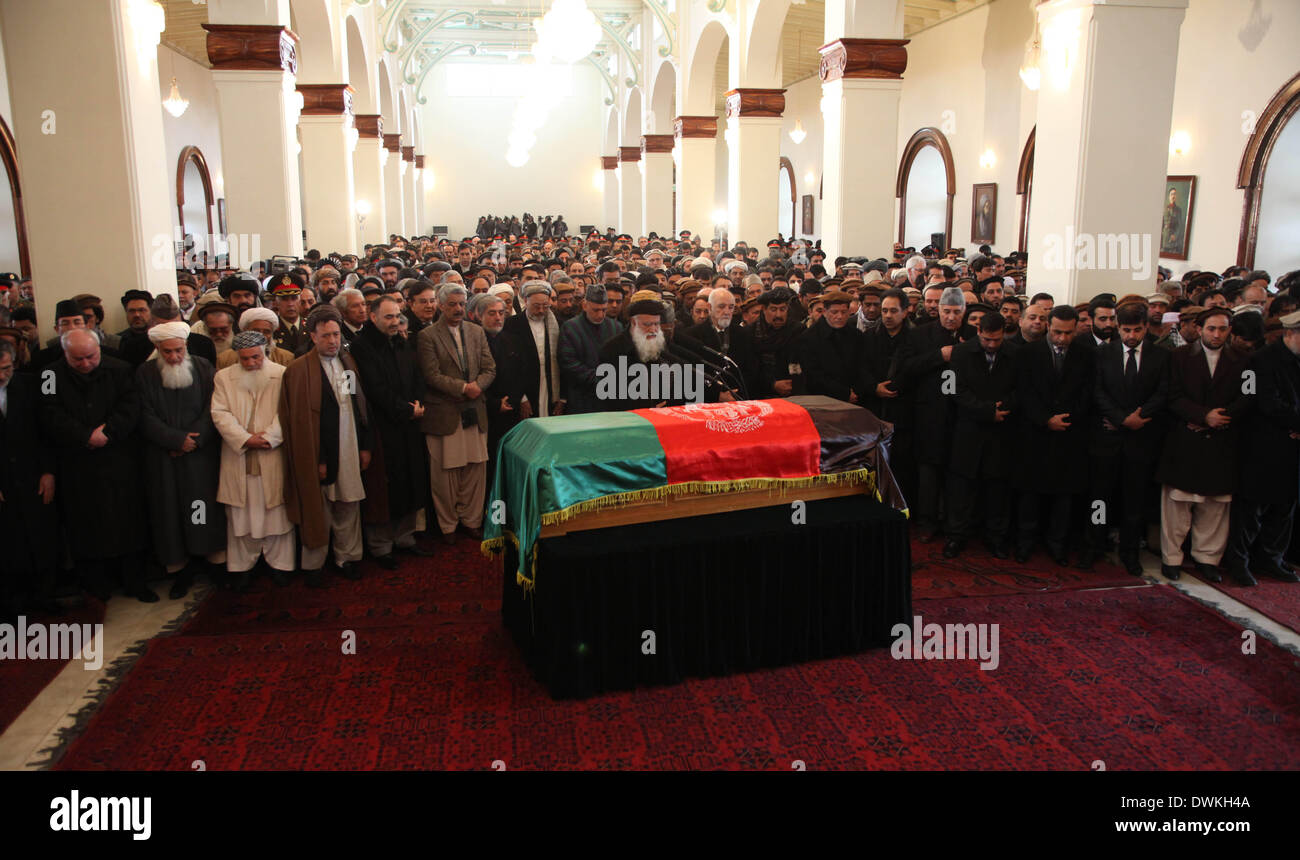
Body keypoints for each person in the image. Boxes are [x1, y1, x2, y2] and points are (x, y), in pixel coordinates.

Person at [40, 329, 154, 602]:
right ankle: (96, 584)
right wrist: (84, 435)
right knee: (85, 524)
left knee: (128, 521)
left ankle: (134, 581)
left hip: (119, 458)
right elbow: (48, 412)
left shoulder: (122, 368)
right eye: (77, 359)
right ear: (65, 354)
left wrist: (108, 431)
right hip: (76, 461)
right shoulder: (49, 376)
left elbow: (131, 406)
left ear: (99, 349)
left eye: (91, 357)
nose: (85, 364)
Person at [281, 305, 372, 586]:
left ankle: (347, 558)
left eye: (336, 335)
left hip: (349, 443)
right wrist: (319, 459)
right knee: (318, 508)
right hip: (319, 450)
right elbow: (300, 422)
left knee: (348, 503)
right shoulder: (299, 370)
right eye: (326, 336)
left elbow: (359, 409)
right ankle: (314, 564)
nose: (333, 341)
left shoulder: (347, 362)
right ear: (312, 336)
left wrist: (364, 446)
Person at [134, 321, 226, 598]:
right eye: (168, 352)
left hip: (200, 457)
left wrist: (194, 441)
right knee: (170, 512)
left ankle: (211, 564)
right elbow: (142, 414)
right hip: (164, 458)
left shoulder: (202, 368)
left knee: (201, 508)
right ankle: (180, 570)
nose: (174, 357)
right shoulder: (145, 373)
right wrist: (174, 440)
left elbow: (215, 406)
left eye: (178, 350)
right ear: (157, 350)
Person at [1155, 308, 1249, 581]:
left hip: (1222, 439)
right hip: (1186, 438)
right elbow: (1171, 395)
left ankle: (1207, 558)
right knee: (1177, 506)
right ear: (1199, 329)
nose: (1217, 334)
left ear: (1229, 330)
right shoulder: (1179, 358)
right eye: (1211, 329)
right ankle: (1171, 558)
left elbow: (1250, 394)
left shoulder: (1245, 361)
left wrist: (1222, 417)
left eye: (1222, 329)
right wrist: (1201, 415)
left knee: (1215, 506)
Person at [349, 295, 432, 567]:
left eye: (397, 316)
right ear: (373, 318)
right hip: (384, 428)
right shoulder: (363, 347)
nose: (395, 322)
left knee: (410, 480)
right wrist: (406, 410)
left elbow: (417, 375)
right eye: (388, 317)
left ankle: (405, 538)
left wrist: (418, 404)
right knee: (385, 487)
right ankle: (381, 546)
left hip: (410, 423)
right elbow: (375, 389)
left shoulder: (402, 341)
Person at [1087, 302, 1169, 575]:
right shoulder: (1103, 354)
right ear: (1118, 328)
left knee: (1134, 501)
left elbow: (1163, 392)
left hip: (1141, 439)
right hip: (1108, 439)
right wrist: (1122, 418)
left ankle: (1130, 552)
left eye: (1136, 330)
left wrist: (1140, 416)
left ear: (1145, 327)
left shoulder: (1160, 356)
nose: (1131, 336)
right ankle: (1094, 546)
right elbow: (1097, 391)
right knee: (1099, 499)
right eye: (1125, 330)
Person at [1221, 309, 1300, 585]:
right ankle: (1238, 561)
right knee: (1251, 509)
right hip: (1264, 447)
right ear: (1290, 333)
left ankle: (1271, 559)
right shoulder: (1262, 361)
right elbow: (1266, 404)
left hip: (1294, 449)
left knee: (1285, 508)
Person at [210, 331, 294, 590]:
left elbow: (288, 411)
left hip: (272, 452)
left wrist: (269, 437)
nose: (251, 363)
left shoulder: (281, 374)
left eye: (256, 357)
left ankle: (280, 565)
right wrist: (245, 439)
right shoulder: (224, 377)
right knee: (241, 514)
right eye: (245, 359)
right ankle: (243, 567)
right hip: (239, 454)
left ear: (265, 351)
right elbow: (219, 412)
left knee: (276, 512)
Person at [1014, 305, 1095, 566]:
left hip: (1070, 435)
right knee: (1030, 494)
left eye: (1068, 333)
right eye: (1058, 332)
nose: (1062, 339)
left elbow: (1088, 393)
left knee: (1064, 497)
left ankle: (1057, 543)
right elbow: (1023, 392)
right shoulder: (1027, 353)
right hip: (1035, 434)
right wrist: (1045, 419)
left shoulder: (1086, 354)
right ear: (1048, 326)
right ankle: (1025, 542)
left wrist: (1067, 418)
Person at [418, 284, 496, 543]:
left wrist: (477, 386)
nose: (458, 309)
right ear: (440, 305)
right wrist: (464, 388)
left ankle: (472, 521)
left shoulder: (476, 331)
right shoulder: (428, 336)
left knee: (475, 469)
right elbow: (431, 375)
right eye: (452, 304)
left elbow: (489, 368)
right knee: (447, 475)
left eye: (462, 304)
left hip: (475, 409)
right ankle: (448, 526)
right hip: (445, 412)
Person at [943, 312, 1018, 559]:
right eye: (987, 340)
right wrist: (987, 411)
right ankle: (956, 537)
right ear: (978, 333)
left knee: (997, 490)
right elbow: (952, 389)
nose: (992, 345)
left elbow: (1022, 389)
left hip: (1002, 431)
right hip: (969, 430)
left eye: (997, 340)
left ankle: (996, 538)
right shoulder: (961, 353)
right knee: (962, 490)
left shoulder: (1015, 354)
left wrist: (1002, 409)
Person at [897, 286, 969, 541]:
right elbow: (906, 369)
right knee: (927, 474)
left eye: (956, 312)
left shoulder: (972, 335)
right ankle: (926, 522)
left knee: (957, 475)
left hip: (962, 418)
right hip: (929, 416)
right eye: (946, 311)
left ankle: (954, 524)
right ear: (938, 310)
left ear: (964, 311)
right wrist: (940, 356)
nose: (951, 317)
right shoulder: (921, 335)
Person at [0, 341, 59, 616]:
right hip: (3, 481)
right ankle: (14, 603)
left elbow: (46, 432)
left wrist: (48, 471)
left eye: (6, 368)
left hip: (33, 474)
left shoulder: (29, 385)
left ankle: (44, 596)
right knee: (9, 542)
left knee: (41, 537)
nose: (2, 376)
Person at [682, 287, 759, 401]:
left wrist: (737, 393)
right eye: (721, 306)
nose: (727, 311)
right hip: (707, 402)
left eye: (731, 307)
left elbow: (752, 370)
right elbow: (689, 376)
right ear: (709, 307)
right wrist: (716, 395)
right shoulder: (691, 336)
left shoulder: (744, 334)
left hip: (739, 398)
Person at [501, 281, 565, 419]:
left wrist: (562, 398)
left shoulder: (559, 324)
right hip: (524, 390)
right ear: (525, 301)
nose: (541, 310)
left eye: (545, 306)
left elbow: (564, 361)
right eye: (536, 306)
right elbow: (509, 366)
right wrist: (521, 398)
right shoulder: (511, 325)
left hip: (551, 387)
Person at [558, 283, 622, 415]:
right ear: (585, 305)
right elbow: (568, 362)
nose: (600, 315)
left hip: (610, 397)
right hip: (581, 397)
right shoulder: (570, 327)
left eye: (604, 310)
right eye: (596, 310)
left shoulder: (616, 327)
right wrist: (600, 379)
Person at [797, 291, 868, 404]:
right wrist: (843, 393)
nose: (839, 316)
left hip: (855, 397)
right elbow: (813, 374)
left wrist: (856, 391)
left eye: (844, 312)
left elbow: (862, 366)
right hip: (822, 399)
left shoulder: (856, 335)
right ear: (825, 312)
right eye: (834, 312)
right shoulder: (809, 338)